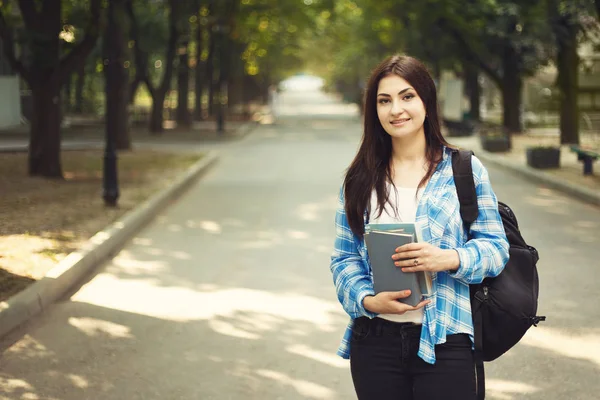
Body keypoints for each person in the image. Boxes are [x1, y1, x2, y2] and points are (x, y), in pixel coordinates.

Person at [329, 54, 510, 400]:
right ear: (374, 110)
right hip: (375, 343)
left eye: (407, 96)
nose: (396, 109)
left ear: (426, 100)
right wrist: (367, 299)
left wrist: (448, 259)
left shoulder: (463, 170)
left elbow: (496, 248)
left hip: (446, 338)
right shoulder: (359, 179)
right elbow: (343, 260)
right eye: (384, 100)